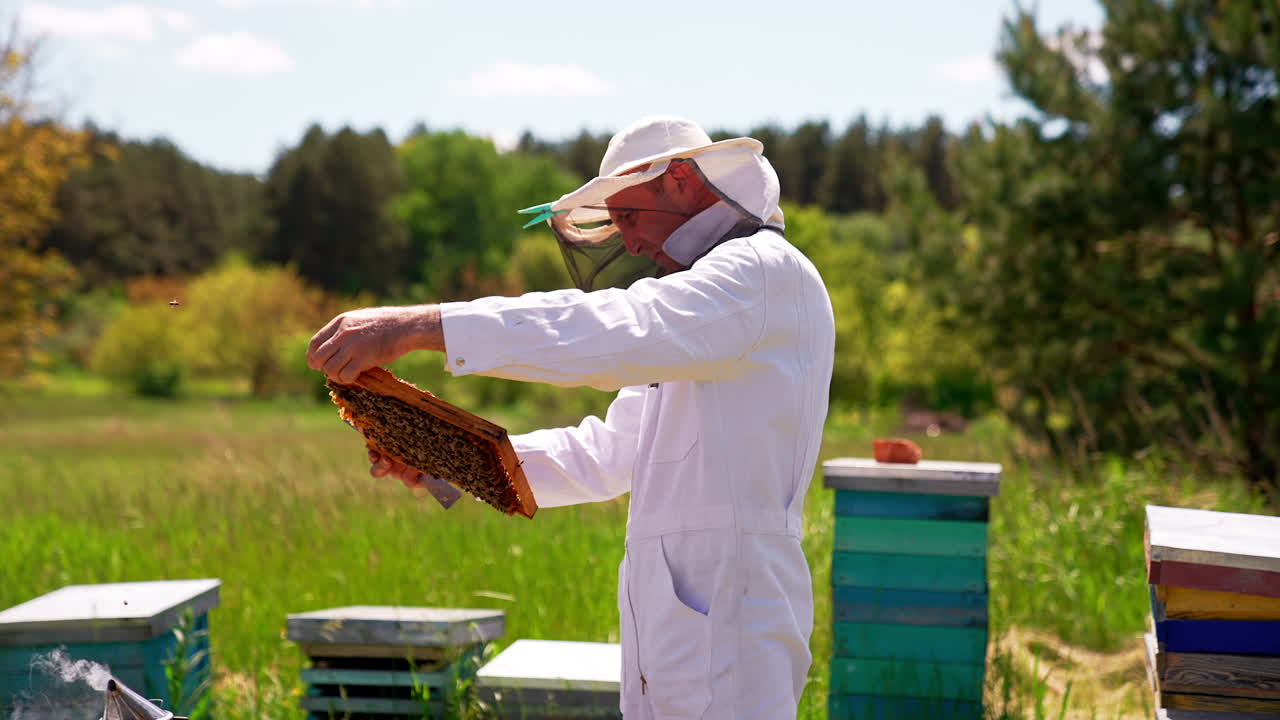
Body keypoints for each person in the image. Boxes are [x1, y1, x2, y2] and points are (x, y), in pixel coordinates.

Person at [307, 115, 834, 719]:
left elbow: (613, 327)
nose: (629, 243)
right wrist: (443, 463)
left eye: (630, 216)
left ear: (683, 182)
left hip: (735, 627)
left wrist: (426, 325)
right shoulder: (702, 314)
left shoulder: (759, 275)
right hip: (679, 628)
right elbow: (608, 454)